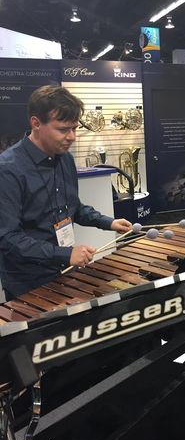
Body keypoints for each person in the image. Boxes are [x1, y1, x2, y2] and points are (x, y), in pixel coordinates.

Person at [0, 85, 132, 300]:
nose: (72, 137)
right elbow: (7, 238)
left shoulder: (65, 158)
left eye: (74, 128)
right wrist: (65, 254)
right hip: (28, 279)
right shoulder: (8, 169)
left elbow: (73, 208)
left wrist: (108, 222)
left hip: (64, 268)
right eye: (63, 129)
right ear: (36, 123)